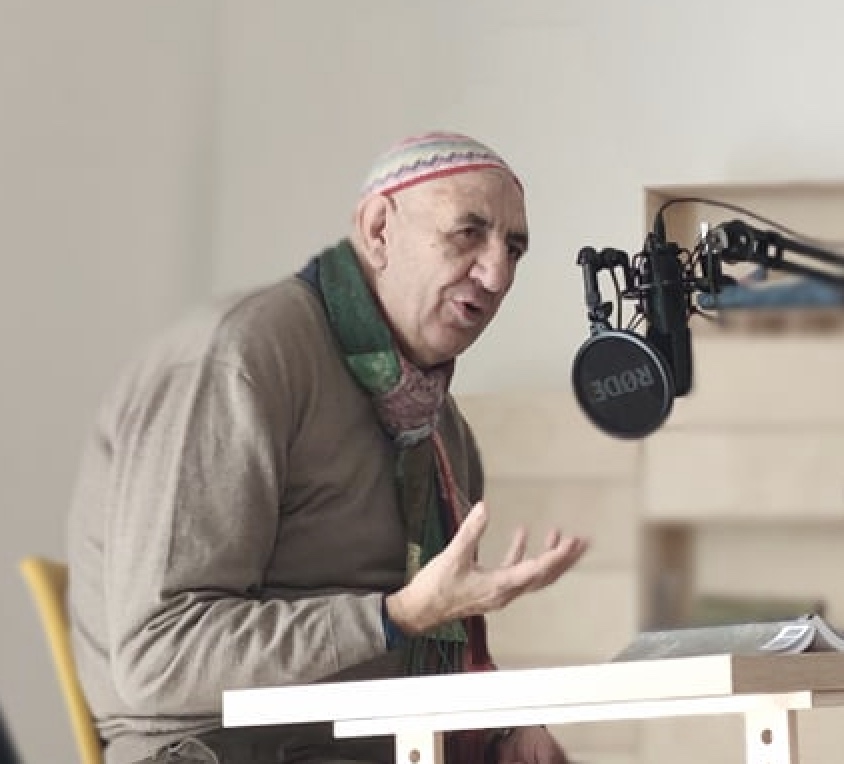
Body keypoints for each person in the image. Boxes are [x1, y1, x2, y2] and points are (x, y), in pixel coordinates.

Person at [68, 131, 589, 764]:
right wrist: (395, 615)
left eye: (514, 248)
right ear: (378, 230)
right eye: (467, 233)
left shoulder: (441, 427)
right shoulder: (241, 359)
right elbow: (159, 659)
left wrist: (503, 728)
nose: (496, 273)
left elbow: (412, 648)